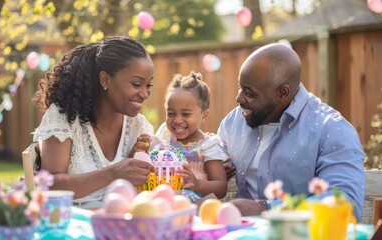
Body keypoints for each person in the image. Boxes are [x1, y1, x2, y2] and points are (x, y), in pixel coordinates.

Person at [218, 43, 365, 220]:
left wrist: (265, 209)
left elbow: (345, 204)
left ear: (282, 93)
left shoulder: (331, 130)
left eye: (250, 93)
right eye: (240, 87)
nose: (239, 98)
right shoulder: (232, 124)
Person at [32, 36, 155, 209]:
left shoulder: (138, 126)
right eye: (136, 84)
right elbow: (50, 185)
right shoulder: (64, 118)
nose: (144, 93)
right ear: (105, 79)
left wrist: (137, 163)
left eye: (149, 85)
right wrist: (113, 173)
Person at [155, 72, 228, 200]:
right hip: (165, 201)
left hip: (195, 207)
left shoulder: (207, 146)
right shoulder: (166, 136)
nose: (177, 120)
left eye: (186, 114)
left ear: (204, 115)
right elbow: (154, 157)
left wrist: (197, 183)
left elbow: (221, 187)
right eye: (171, 113)